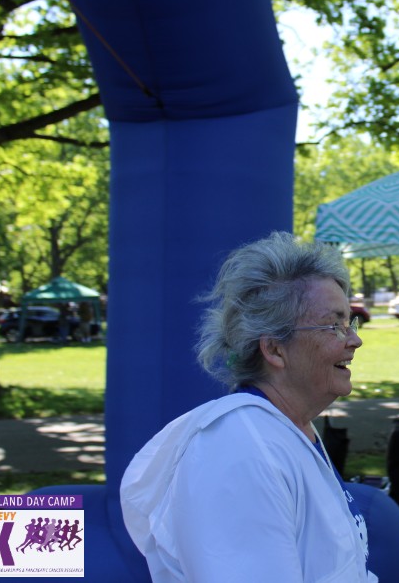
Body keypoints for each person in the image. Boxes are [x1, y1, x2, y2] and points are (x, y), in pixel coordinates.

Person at [120, 232, 376, 582]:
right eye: (335, 325)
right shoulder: (239, 449)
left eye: (350, 323)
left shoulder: (287, 429)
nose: (355, 340)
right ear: (274, 349)